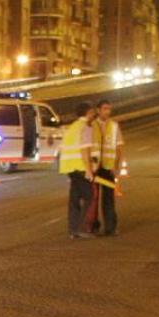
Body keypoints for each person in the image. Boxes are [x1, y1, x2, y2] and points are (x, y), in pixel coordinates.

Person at [59, 102, 96, 239]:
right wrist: (89, 170)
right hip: (80, 166)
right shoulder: (85, 127)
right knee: (89, 196)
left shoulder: (72, 127)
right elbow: (84, 150)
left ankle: (73, 230)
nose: (93, 115)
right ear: (88, 113)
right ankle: (81, 228)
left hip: (69, 167)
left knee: (74, 199)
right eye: (92, 113)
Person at [90, 100, 125, 236]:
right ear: (98, 110)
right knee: (93, 198)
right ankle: (93, 226)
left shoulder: (114, 126)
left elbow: (119, 147)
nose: (107, 112)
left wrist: (116, 166)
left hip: (108, 169)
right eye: (105, 109)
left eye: (109, 109)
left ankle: (110, 227)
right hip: (94, 168)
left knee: (108, 199)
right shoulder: (91, 125)